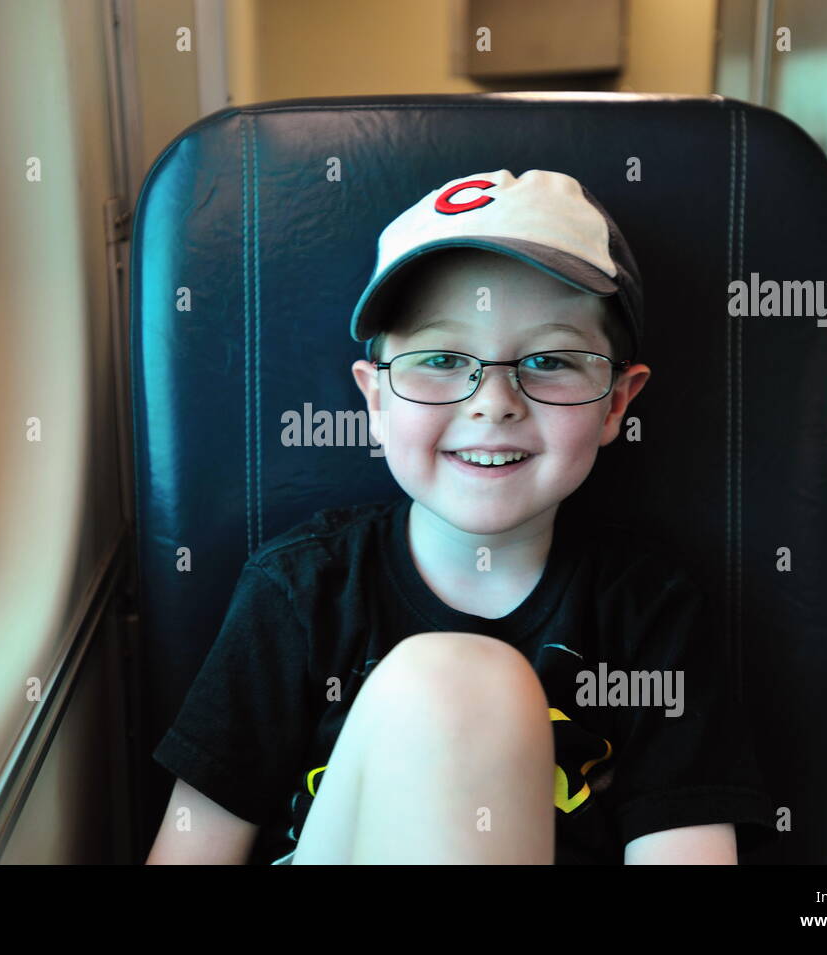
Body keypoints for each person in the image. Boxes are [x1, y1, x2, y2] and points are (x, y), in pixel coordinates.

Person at [146, 169, 777, 865]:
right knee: (455, 681)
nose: (493, 402)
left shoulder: (650, 613)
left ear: (617, 403)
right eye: (443, 359)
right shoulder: (301, 591)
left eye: (549, 360)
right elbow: (191, 851)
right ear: (376, 401)